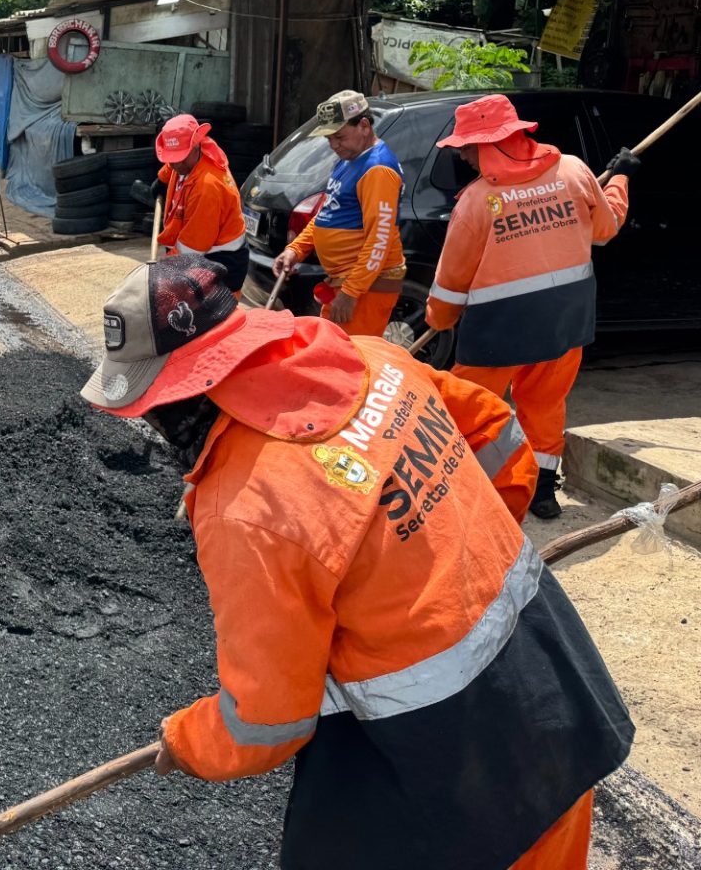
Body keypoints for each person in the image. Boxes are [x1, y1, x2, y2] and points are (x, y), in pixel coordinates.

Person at [81, 250, 629, 870]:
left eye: (154, 402)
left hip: (450, 767)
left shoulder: (247, 507)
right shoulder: (372, 358)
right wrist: (447, 541)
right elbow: (498, 437)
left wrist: (187, 742)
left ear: (189, 392)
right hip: (552, 690)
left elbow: (267, 723)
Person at [425, 93, 636, 520]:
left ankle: (457, 489)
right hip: (563, 323)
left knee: (467, 408)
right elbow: (605, 228)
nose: (464, 155)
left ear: (492, 143)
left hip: (498, 331)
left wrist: (439, 320)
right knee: (544, 407)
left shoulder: (477, 200)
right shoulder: (574, 172)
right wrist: (619, 180)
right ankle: (540, 492)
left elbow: (451, 281)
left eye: (468, 146)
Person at [272, 90, 406, 336]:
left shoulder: (377, 170)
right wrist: (295, 250)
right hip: (346, 283)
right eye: (329, 139)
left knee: (349, 362)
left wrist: (351, 292)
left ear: (364, 125)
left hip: (366, 289)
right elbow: (326, 214)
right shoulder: (348, 160)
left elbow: (380, 238)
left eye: (339, 137)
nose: (333, 145)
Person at [149, 114, 248, 288]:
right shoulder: (195, 154)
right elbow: (172, 164)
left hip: (221, 263)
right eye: (171, 159)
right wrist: (162, 179)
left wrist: (161, 269)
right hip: (200, 253)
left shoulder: (207, 187)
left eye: (180, 157)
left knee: (209, 313)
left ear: (195, 145)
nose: (175, 165)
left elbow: (191, 249)